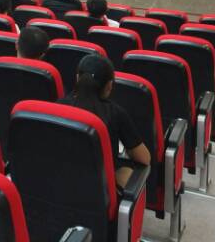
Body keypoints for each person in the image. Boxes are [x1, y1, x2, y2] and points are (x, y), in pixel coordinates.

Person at [58, 54, 150, 188]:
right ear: (109, 85)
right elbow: (144, 158)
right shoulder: (116, 113)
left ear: (77, 78)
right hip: (99, 192)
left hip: (60, 186)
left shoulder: (57, 108)